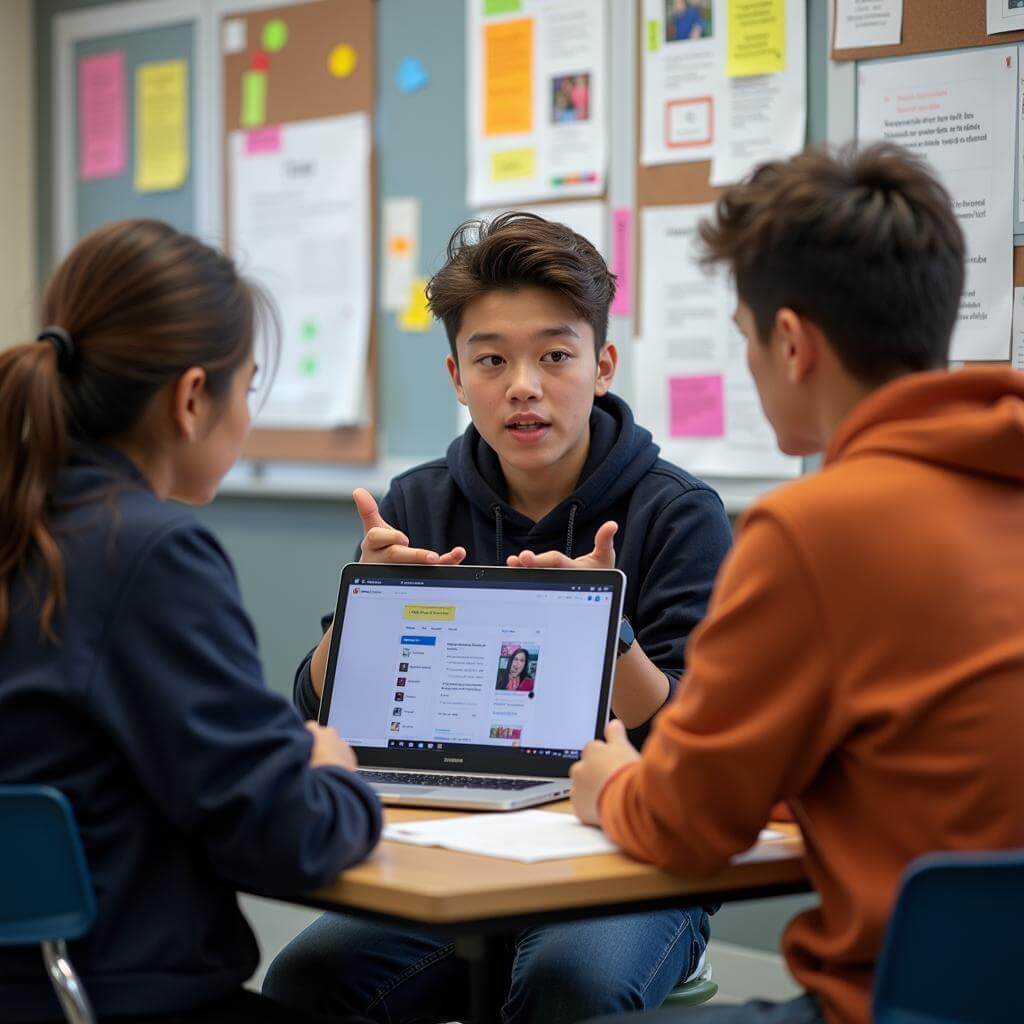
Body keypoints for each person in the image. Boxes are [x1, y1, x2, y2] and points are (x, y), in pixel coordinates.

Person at [569, 143, 1024, 1024]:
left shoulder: (815, 530)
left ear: (790, 342)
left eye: (744, 339)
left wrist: (610, 785)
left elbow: (687, 824)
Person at [263, 212, 734, 1024]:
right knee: (307, 981)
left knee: (569, 984)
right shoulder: (416, 500)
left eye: (555, 355)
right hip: (453, 845)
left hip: (633, 857)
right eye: (492, 359)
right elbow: (318, 713)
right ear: (455, 374)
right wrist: (359, 611)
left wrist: (608, 634)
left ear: (602, 365)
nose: (524, 384)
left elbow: (707, 742)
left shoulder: (679, 514)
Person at [0, 219, 382, 1024]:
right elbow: (287, 834)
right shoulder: (150, 554)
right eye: (247, 387)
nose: (246, 415)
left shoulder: (27, 523)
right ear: (191, 398)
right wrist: (333, 770)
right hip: (112, 996)